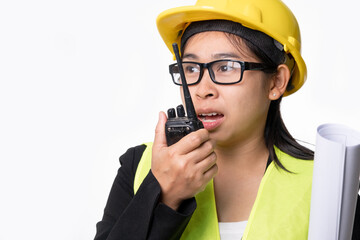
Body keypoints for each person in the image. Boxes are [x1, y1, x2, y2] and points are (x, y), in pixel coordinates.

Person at [94, 0, 360, 239]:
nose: (202, 88)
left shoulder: (329, 185)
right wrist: (164, 194)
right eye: (191, 68)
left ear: (276, 81)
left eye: (226, 67)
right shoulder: (139, 166)